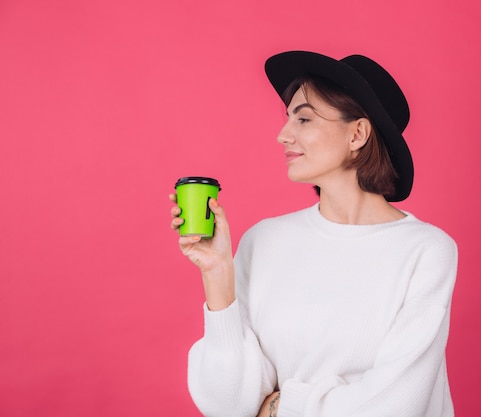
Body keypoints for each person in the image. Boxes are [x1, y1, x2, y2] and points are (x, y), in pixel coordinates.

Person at [169, 51, 458, 417]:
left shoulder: (426, 251)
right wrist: (217, 275)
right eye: (288, 118)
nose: (283, 135)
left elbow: (394, 407)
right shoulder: (262, 241)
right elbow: (226, 405)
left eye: (303, 118)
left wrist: (276, 407)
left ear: (357, 134)